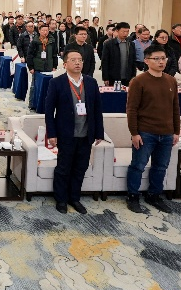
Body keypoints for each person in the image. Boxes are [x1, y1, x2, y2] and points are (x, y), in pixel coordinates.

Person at [45, 50, 105, 214]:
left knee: (80, 167)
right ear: (65, 64)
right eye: (73, 60)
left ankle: (74, 198)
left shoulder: (91, 82)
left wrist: (99, 132)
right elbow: (49, 111)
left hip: (86, 134)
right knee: (63, 168)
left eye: (80, 60)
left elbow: (97, 109)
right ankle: (61, 199)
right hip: (66, 133)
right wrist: (52, 133)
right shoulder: (57, 83)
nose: (78, 63)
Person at [125, 45, 180, 214]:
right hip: (145, 132)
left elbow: (175, 107)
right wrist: (134, 133)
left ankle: (154, 195)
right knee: (138, 166)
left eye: (163, 58)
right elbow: (131, 109)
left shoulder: (171, 80)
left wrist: (176, 131)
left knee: (161, 167)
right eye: (156, 59)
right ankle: (132, 196)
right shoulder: (138, 81)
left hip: (167, 133)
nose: (161, 62)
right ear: (146, 61)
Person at [101, 22, 135, 87]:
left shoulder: (131, 44)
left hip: (128, 77)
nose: (125, 33)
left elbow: (133, 61)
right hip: (113, 77)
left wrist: (133, 76)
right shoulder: (109, 44)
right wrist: (105, 78)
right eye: (123, 31)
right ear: (117, 31)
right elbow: (105, 62)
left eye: (127, 31)